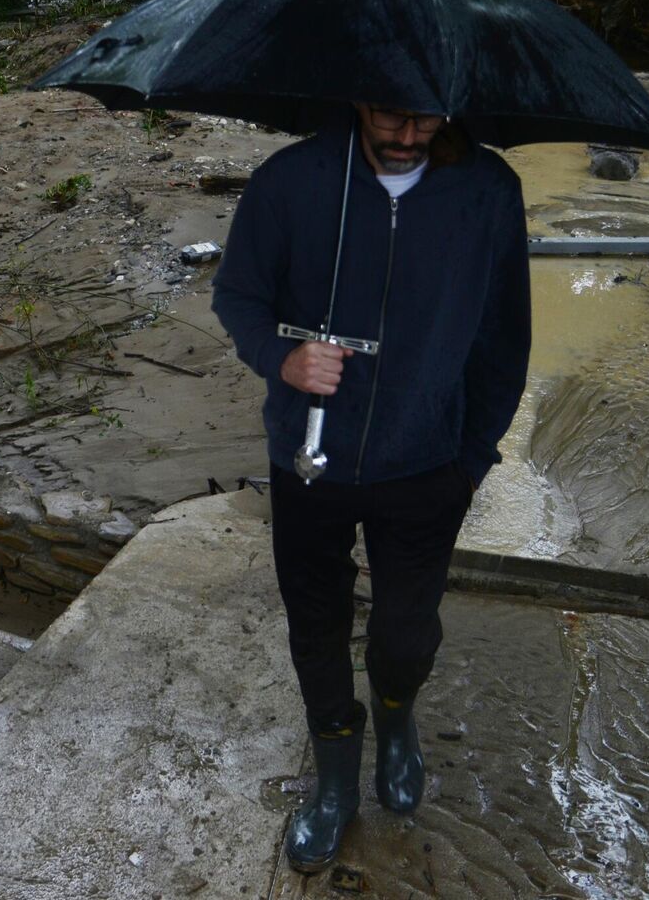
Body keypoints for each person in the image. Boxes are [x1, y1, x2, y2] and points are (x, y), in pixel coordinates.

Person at [210, 101, 531, 870]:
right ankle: (333, 787)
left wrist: (471, 456)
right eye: (391, 117)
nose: (409, 137)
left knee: (404, 634)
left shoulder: (487, 189)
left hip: (427, 465)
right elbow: (238, 296)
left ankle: (396, 721)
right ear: (357, 99)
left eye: (425, 120)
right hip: (309, 460)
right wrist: (282, 361)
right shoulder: (293, 181)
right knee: (315, 629)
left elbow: (504, 334)